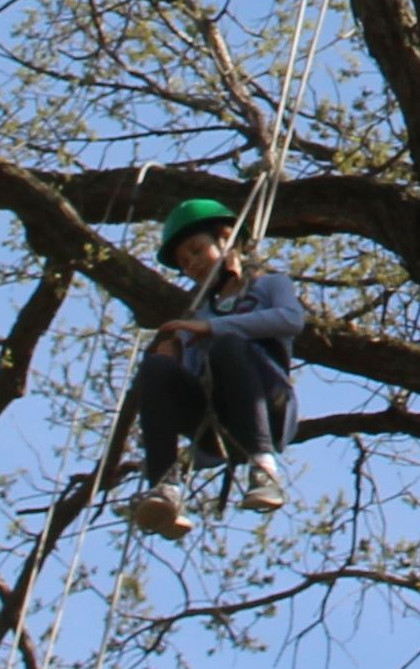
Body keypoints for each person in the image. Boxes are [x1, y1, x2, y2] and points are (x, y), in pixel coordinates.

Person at [116, 198, 307, 538]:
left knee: (228, 344)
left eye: (196, 250)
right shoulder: (197, 315)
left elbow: (291, 320)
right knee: (156, 368)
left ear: (226, 237)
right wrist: (172, 357)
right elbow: (188, 376)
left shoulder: (269, 286)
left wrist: (212, 329)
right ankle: (164, 487)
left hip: (266, 399)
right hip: (217, 419)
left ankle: (263, 468)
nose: (191, 264)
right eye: (184, 262)